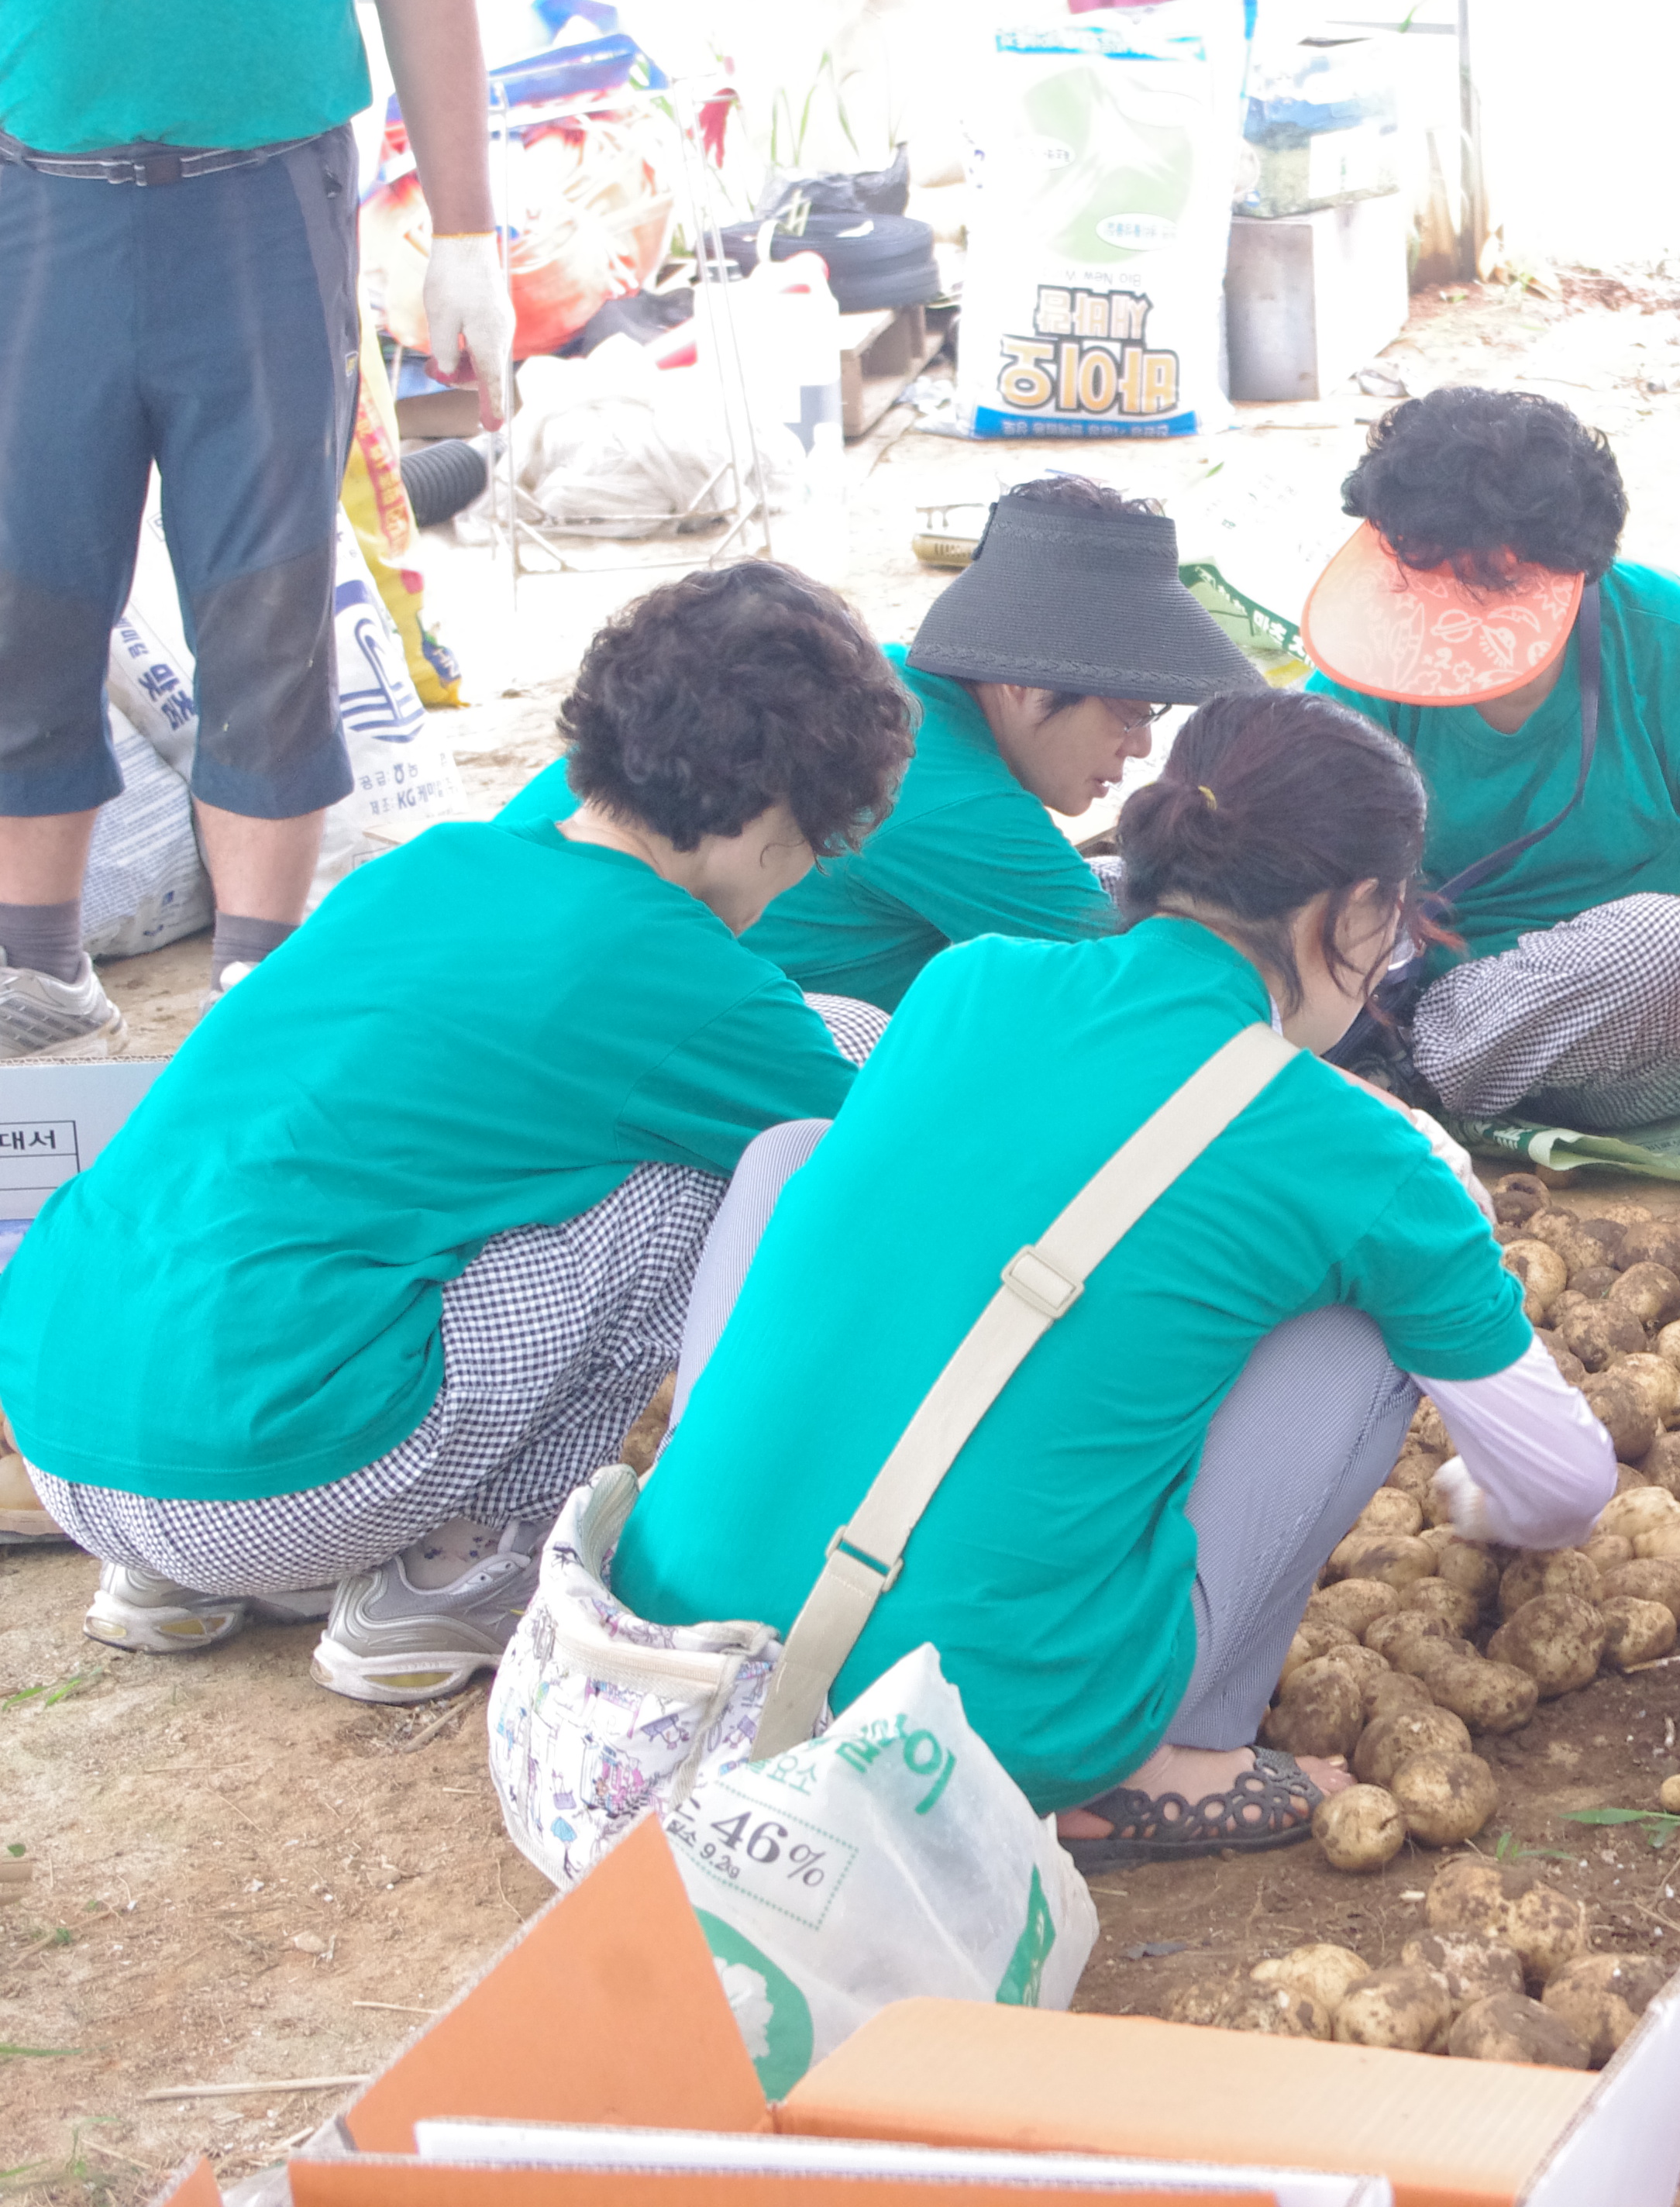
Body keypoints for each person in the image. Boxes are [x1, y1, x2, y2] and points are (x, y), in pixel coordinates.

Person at [603, 687, 1616, 1864]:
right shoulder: (1365, 1156)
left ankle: (719, 1512)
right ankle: (1166, 1752)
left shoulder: (968, 980)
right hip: (979, 1724)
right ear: (1355, 913)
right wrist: (1469, 1501)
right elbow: (1564, 1489)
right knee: (1358, 1325)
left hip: (674, 1650)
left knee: (795, 1154)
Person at [0, 563, 911, 1699]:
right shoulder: (681, 974)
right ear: (773, 818)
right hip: (270, 1480)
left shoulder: (422, 867)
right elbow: (887, 1156)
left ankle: (169, 1575)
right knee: (722, 1172)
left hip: (66, 1436)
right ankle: (458, 1569)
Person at [0, 0, 512, 1057]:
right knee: (25, 594)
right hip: (33, 193)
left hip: (263, 194)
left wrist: (466, 231)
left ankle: (257, 973)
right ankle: (33, 963)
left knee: (269, 602)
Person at [1301, 387, 1680, 1128]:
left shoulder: (1659, 634)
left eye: (1486, 583)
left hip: (1629, 1020)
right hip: (1419, 991)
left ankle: (1394, 1082)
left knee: (1661, 943)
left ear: (1576, 568)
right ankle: (1388, 1075)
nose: (1449, 613)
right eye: (1426, 577)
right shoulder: (1372, 656)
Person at [499, 474, 1262, 1010]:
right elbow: (1147, 997)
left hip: (525, 926)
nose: (1140, 747)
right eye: (1129, 712)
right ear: (1023, 683)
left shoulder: (883, 680)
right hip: (606, 1003)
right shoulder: (946, 793)